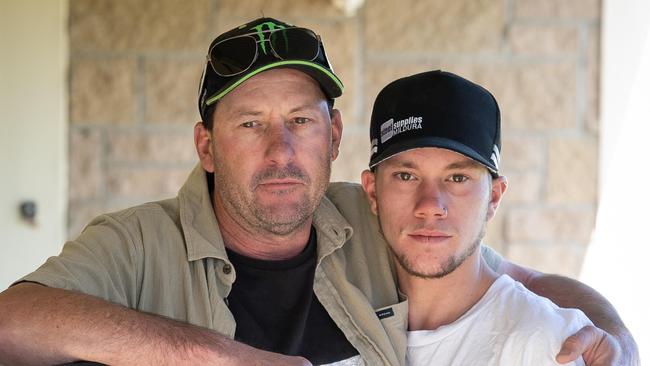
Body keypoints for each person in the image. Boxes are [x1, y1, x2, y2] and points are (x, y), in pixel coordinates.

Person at [0, 17, 637, 366]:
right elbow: (12, 323)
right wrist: (213, 358)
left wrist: (617, 341)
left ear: (333, 135)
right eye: (251, 124)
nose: (281, 151)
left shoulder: (371, 217)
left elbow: (518, 282)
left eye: (301, 121)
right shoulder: (138, 242)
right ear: (206, 146)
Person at [359, 70, 592, 365]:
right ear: (373, 192)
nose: (430, 205)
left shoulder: (543, 343)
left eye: (457, 178)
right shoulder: (343, 322)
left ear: (494, 197)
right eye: (406, 176)